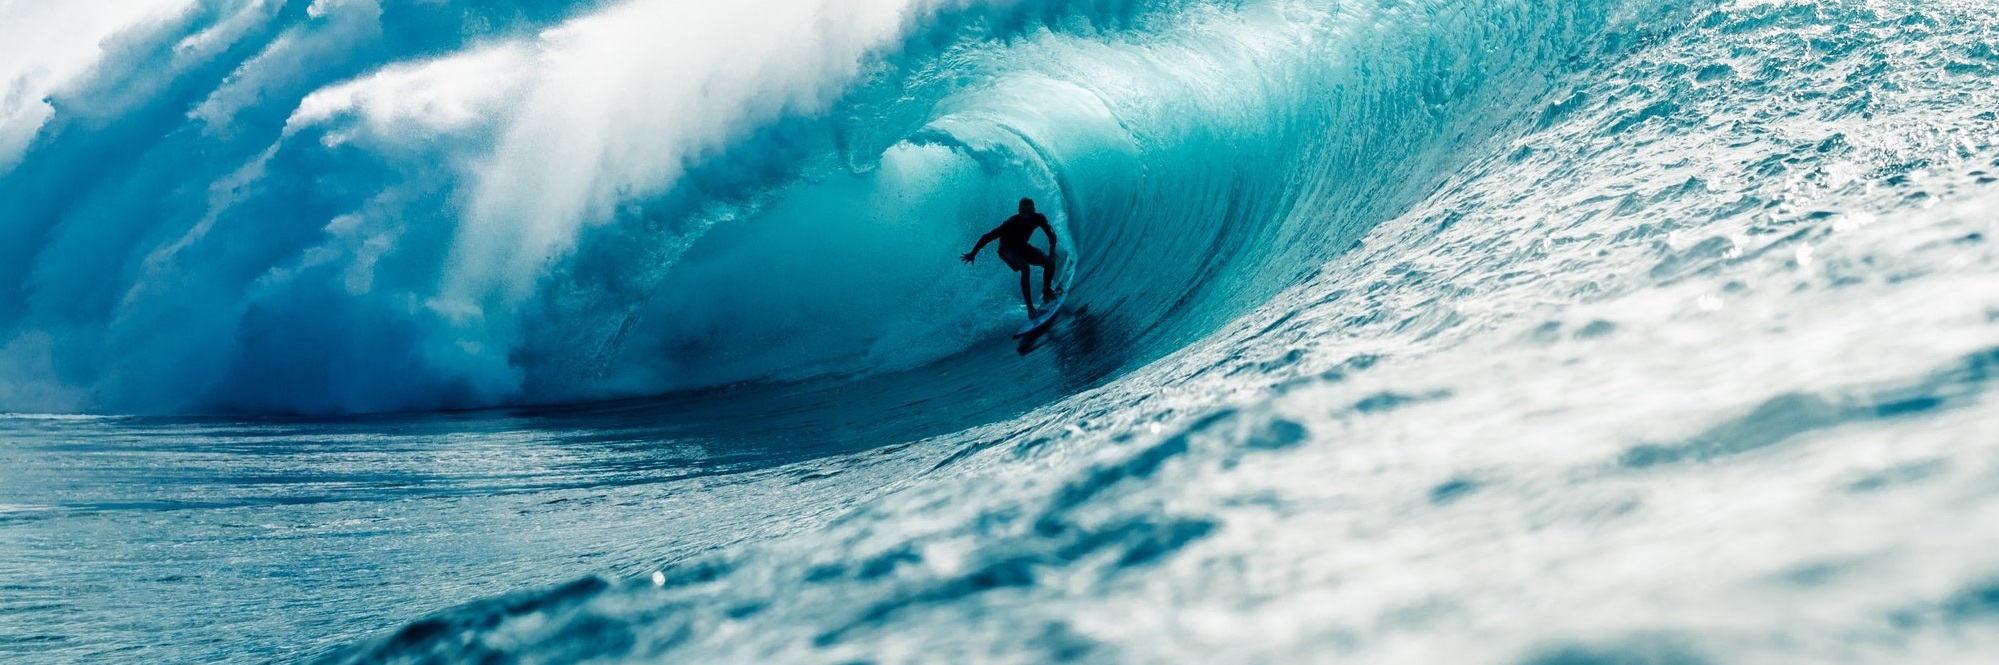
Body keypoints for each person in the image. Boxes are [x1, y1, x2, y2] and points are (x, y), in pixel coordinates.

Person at [962, 197, 1061, 316]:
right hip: (1006, 250)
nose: (1027, 215)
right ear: (1019, 211)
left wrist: (1051, 253)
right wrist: (973, 254)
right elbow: (986, 237)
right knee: (1025, 267)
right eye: (1024, 212)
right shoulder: (1011, 223)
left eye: (1030, 212)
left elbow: (1052, 236)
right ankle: (1031, 311)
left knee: (1049, 263)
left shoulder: (1039, 218)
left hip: (1022, 247)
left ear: (1034, 210)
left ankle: (1047, 293)